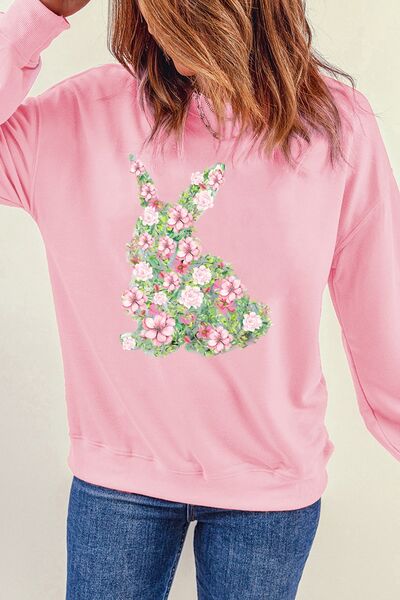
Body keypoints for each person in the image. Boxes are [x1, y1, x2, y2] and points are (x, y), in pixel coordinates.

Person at [1, 0, 399, 598]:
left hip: (270, 489)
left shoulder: (332, 125)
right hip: (119, 482)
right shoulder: (78, 117)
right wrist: (42, 11)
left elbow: (382, 313)